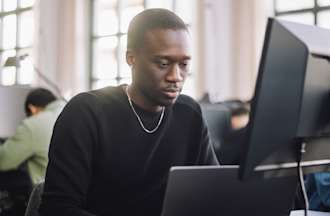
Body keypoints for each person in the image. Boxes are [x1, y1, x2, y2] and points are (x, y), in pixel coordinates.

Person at [39, 8, 218, 216]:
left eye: (184, 64)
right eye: (163, 63)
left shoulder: (189, 114)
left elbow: (215, 191)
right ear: (131, 58)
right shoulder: (86, 113)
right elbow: (57, 208)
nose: (175, 76)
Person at [0, 87, 65, 215]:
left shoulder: (33, 124)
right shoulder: (72, 111)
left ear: (32, 108)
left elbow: (4, 161)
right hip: (77, 197)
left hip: (44, 199)